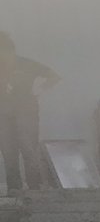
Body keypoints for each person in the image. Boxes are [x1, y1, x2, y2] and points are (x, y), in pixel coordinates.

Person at [0, 31, 59, 191]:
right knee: (8, 153)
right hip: (4, 114)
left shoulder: (27, 64)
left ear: (10, 51)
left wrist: (40, 90)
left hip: (26, 112)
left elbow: (54, 76)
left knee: (28, 149)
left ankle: (35, 190)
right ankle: (15, 192)